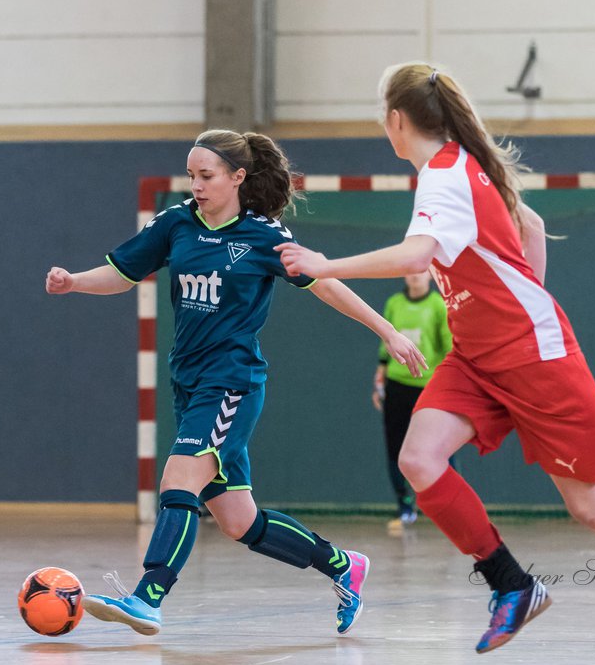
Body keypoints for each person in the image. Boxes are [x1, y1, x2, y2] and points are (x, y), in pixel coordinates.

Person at [277, 62, 595, 665]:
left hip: (538, 363)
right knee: (418, 459)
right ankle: (512, 584)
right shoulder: (464, 167)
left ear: (395, 120)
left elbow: (416, 254)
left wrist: (324, 266)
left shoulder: (444, 175)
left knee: (592, 506)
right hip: (477, 358)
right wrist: (518, 299)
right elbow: (533, 226)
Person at [46, 129, 427, 636]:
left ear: (237, 177)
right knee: (238, 521)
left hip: (231, 384)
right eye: (191, 176)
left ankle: (148, 596)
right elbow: (124, 272)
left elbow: (326, 285)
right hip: (189, 383)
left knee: (179, 482)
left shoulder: (264, 237)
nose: (196, 185)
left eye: (206, 176)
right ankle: (343, 566)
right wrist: (75, 282)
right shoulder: (176, 224)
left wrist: (389, 330)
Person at [373, 271, 452, 531]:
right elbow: (386, 345)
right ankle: (405, 507)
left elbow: (448, 347)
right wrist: (380, 377)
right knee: (395, 447)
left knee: (441, 449)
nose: (415, 276)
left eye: (421, 271)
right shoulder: (395, 303)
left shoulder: (438, 305)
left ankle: (449, 508)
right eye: (410, 271)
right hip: (397, 385)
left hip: (429, 386)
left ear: (430, 275)